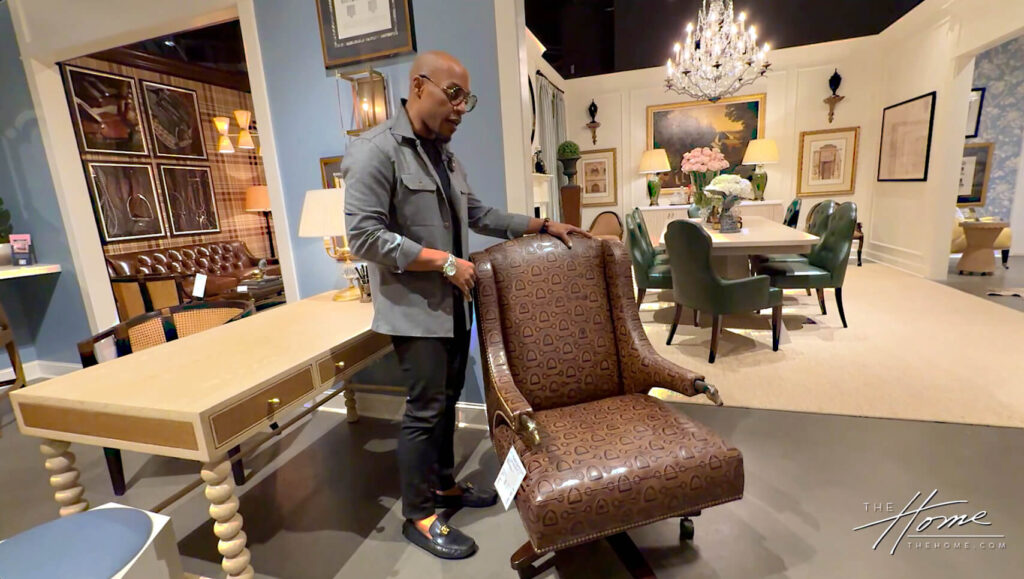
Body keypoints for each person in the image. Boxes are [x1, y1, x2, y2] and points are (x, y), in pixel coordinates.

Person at [342, 51, 589, 559]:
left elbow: (478, 213)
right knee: (425, 411)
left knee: (448, 403)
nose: (460, 109)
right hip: (414, 312)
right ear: (418, 86)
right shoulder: (375, 151)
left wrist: (542, 225)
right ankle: (419, 514)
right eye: (453, 96)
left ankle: (446, 487)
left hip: (456, 309)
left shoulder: (446, 157)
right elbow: (364, 238)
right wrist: (442, 262)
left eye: (466, 100)